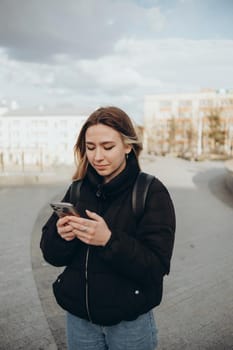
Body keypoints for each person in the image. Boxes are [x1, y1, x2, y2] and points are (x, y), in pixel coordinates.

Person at [40, 106, 176, 350]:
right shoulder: (78, 189)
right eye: (90, 148)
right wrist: (60, 236)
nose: (97, 157)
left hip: (129, 326)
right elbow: (51, 255)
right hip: (79, 322)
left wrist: (109, 240)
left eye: (107, 146)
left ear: (127, 146)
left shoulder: (150, 192)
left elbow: (156, 266)